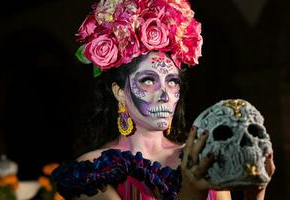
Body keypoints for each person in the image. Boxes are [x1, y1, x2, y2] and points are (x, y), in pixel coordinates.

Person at [52, 0, 275, 199]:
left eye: (172, 82)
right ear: (119, 92)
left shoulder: (200, 155)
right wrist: (191, 190)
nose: (165, 94)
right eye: (148, 81)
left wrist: (255, 192)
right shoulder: (92, 169)